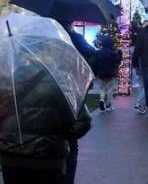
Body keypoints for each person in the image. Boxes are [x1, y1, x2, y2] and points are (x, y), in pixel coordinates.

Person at [0, 103, 92, 184]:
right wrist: (63, 135)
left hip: (11, 158)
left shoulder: (5, 85)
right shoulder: (62, 84)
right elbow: (84, 121)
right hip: (49, 159)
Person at [58, 20, 95, 184]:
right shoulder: (76, 38)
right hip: (74, 86)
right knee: (72, 135)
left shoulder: (48, 38)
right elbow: (91, 52)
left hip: (53, 85)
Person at [93, 35, 122, 112]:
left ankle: (102, 99)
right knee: (109, 88)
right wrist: (120, 53)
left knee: (102, 87)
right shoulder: (112, 53)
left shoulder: (98, 52)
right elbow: (118, 60)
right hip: (110, 73)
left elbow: (95, 63)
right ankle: (108, 105)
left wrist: (96, 72)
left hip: (101, 73)